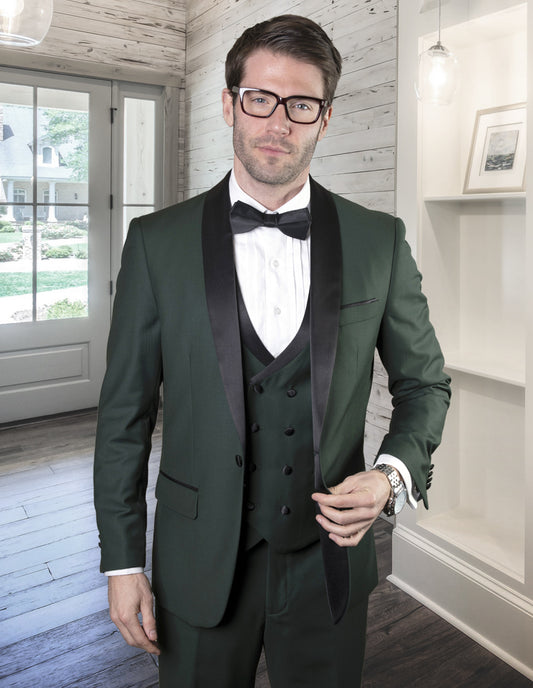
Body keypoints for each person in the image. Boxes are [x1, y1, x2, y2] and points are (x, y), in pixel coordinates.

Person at [94, 14, 451, 688]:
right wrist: (122, 563)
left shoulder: (379, 240)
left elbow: (424, 384)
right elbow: (123, 417)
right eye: (260, 98)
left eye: (301, 104)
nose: (277, 121)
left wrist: (390, 476)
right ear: (230, 103)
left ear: (325, 118)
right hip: (196, 560)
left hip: (329, 562)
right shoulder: (155, 242)